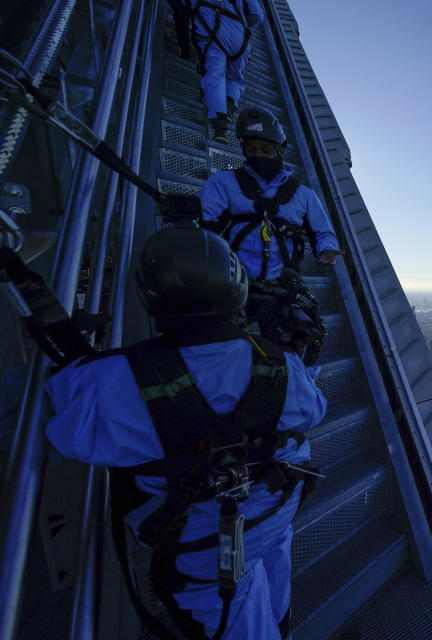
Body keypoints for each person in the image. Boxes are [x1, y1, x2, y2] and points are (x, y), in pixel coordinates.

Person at [45, 226, 327, 639]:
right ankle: (281, 624)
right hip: (277, 503)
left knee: (237, 606)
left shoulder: (109, 384)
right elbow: (312, 413)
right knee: (271, 563)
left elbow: (67, 425)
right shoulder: (282, 365)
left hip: (207, 542)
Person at [199, 106, 342, 363]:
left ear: (280, 150)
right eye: (251, 150)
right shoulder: (223, 183)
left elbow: (323, 231)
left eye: (266, 150)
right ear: (243, 149)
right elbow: (207, 225)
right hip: (233, 280)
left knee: (298, 342)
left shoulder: (303, 195)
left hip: (279, 284)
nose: (259, 156)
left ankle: (288, 386)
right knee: (218, 348)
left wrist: (327, 249)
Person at [188, 0, 264, 143]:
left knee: (215, 75)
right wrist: (239, 23)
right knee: (235, 78)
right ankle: (229, 106)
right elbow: (258, 15)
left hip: (213, 32)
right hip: (240, 39)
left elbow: (189, 8)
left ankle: (220, 128)